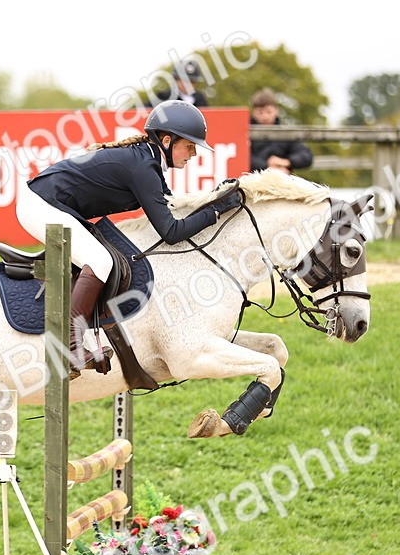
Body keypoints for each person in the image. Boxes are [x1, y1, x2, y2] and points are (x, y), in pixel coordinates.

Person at [16, 100, 240, 374]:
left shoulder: (148, 161)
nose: (193, 154)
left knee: (101, 258)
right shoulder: (143, 167)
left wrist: (213, 200)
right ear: (167, 140)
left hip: (47, 203)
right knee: (100, 261)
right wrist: (215, 211)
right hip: (40, 204)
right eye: (190, 146)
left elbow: (172, 209)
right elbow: (171, 232)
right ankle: (68, 347)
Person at [248, 88, 313, 174]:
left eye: (268, 112)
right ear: (254, 113)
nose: (265, 117)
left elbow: (306, 156)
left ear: (276, 111)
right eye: (260, 112)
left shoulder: (285, 135)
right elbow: (241, 156)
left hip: (281, 178)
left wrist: (287, 162)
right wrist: (268, 167)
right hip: (251, 179)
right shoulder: (246, 134)